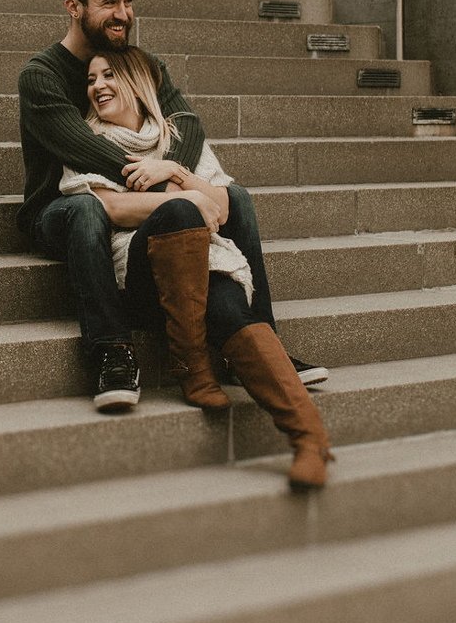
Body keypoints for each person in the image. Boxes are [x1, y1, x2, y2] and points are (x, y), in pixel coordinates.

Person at [15, 0, 332, 485]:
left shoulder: (141, 62)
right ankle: (112, 350)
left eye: (129, 1)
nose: (123, 13)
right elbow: (84, 150)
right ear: (74, 7)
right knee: (91, 211)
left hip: (159, 206)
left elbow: (186, 122)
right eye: (109, 2)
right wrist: (171, 185)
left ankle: (262, 340)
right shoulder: (43, 75)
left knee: (241, 200)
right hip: (60, 207)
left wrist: (172, 170)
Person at [63, 45, 333, 491]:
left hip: (205, 260)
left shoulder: (176, 138)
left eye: (108, 76)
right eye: (91, 80)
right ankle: (190, 362)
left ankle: (310, 439)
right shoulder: (86, 141)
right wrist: (186, 198)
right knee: (179, 215)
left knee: (230, 312)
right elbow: (107, 207)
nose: (97, 87)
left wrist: (176, 172)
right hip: (142, 275)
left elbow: (228, 204)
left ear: (137, 82)